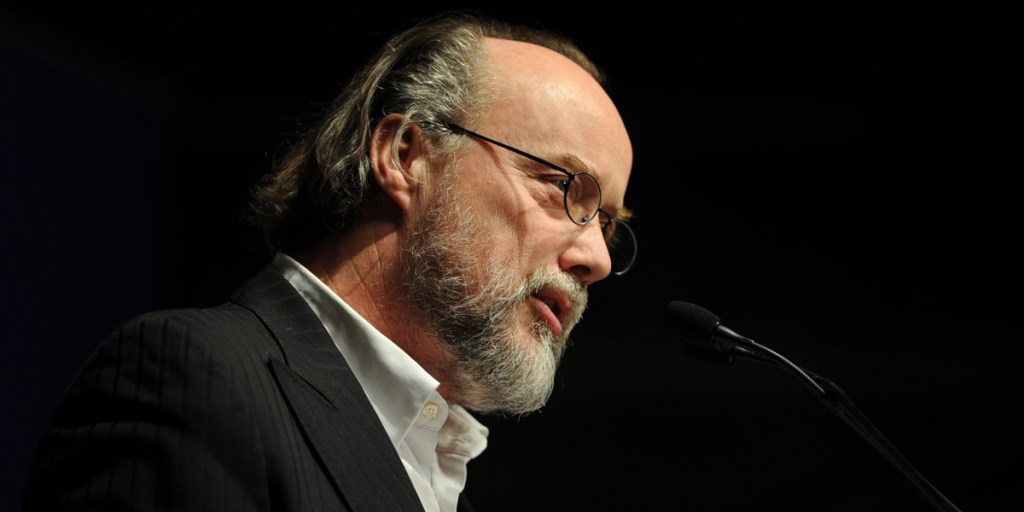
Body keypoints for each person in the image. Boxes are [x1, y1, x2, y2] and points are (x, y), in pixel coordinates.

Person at [22, 11, 636, 512]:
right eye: (563, 188)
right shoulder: (194, 380)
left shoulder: (440, 471)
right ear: (404, 156)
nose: (599, 259)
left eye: (607, 223)